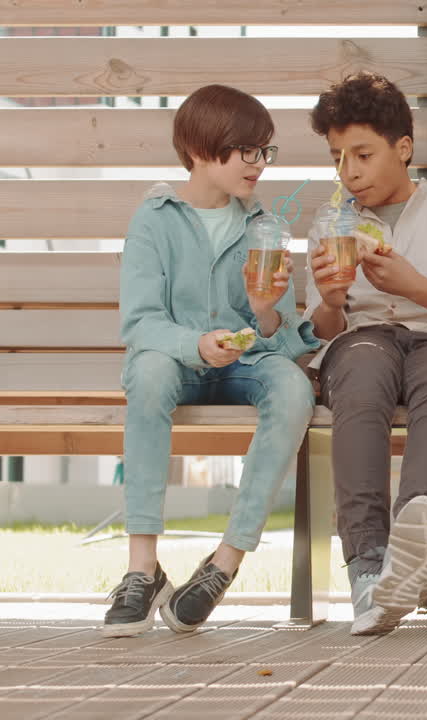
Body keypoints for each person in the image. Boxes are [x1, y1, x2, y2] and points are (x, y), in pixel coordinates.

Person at [106, 84, 318, 638]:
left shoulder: (264, 226)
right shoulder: (154, 220)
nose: (260, 164)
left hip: (244, 367)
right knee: (149, 371)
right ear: (202, 149)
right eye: (248, 150)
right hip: (177, 365)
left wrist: (265, 312)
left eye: (265, 151)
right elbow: (140, 324)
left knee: (293, 388)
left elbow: (281, 338)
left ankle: (224, 563)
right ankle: (142, 569)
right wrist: (196, 345)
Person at [304, 73, 427, 635]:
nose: (349, 172)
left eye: (363, 154)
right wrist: (331, 300)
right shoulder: (331, 223)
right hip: (362, 340)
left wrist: (414, 285)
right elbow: (318, 332)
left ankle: (408, 554)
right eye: (338, 158)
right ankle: (368, 569)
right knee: (360, 378)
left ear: (403, 148)